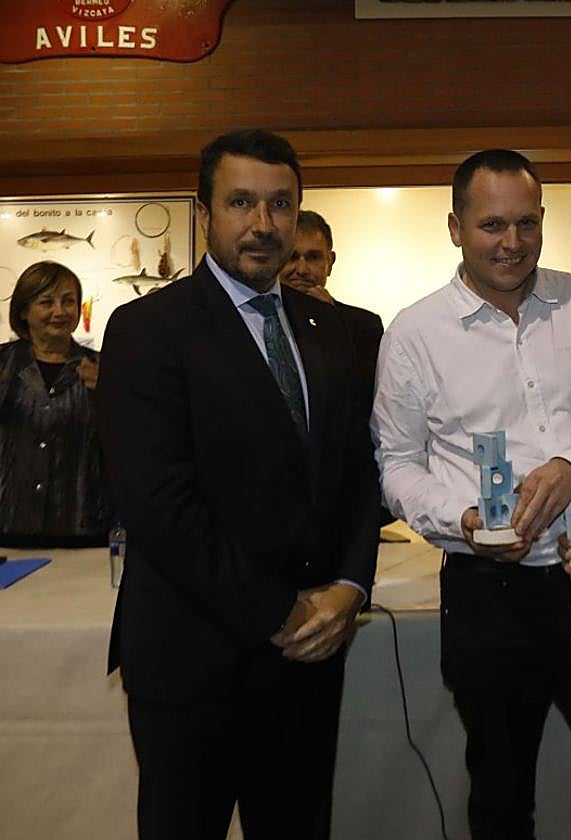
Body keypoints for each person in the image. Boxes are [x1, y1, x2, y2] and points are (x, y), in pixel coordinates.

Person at [372, 148, 571, 839]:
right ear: (455, 228)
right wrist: (460, 519)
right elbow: (395, 465)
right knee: (501, 797)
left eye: (526, 223)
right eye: (491, 225)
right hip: (488, 596)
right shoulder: (415, 333)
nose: (511, 243)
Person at [96, 129, 380, 840]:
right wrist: (280, 611)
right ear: (204, 213)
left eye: (280, 204)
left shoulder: (333, 330)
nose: (263, 223)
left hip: (308, 662)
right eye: (241, 202)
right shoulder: (147, 329)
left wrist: (351, 586)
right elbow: (159, 506)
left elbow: (358, 473)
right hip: (194, 661)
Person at [0, 260, 111, 546]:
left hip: (82, 525)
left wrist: (111, 394)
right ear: (24, 310)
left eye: (68, 301)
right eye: (46, 302)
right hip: (9, 524)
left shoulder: (105, 368)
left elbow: (128, 440)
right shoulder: (4, 365)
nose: (59, 312)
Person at [279, 209, 384, 395]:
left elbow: (364, 399)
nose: (302, 269)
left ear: (330, 262)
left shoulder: (364, 327)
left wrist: (332, 324)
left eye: (313, 257)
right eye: (291, 257)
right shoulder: (262, 320)